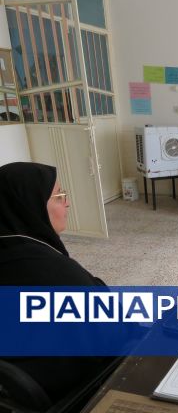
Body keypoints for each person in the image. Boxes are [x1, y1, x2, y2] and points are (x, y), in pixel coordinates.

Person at [0, 162, 116, 405]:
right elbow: (113, 334)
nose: (67, 203)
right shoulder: (54, 274)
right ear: (30, 206)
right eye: (59, 196)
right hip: (77, 393)